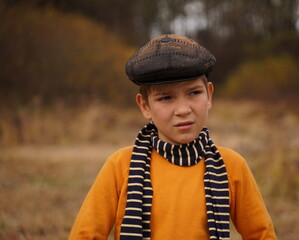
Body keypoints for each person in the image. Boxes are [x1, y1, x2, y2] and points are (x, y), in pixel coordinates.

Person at [69, 34, 277, 240]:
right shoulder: (121, 166)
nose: (183, 109)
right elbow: (85, 235)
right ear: (145, 106)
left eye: (194, 93)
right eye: (166, 98)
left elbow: (261, 234)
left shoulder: (231, 166)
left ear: (209, 95)